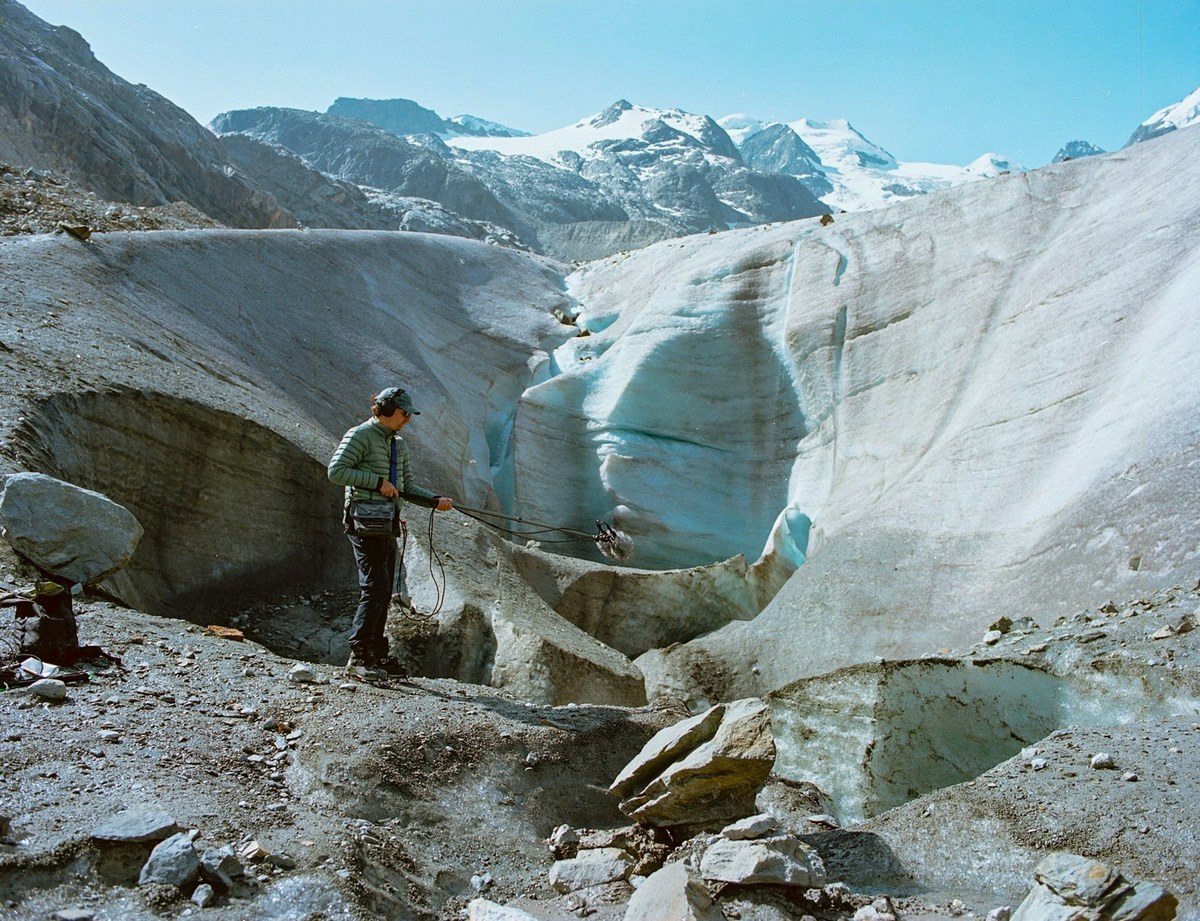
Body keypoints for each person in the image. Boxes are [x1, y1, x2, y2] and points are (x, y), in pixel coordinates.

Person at [328, 386, 453, 677]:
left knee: (383, 590)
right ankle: (359, 656)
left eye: (409, 414)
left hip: (386, 523)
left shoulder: (397, 444)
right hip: (364, 523)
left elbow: (406, 487)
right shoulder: (359, 435)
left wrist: (434, 500)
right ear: (384, 409)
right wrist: (376, 482)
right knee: (376, 587)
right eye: (404, 412)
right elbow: (336, 471)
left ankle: (377, 654)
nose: (408, 418)